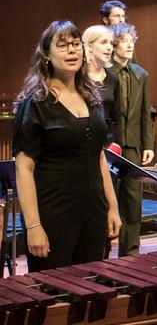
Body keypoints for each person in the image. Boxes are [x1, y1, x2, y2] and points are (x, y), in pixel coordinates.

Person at [14, 20, 121, 271]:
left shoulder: (91, 97)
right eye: (62, 46)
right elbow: (24, 168)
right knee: (51, 296)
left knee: (89, 289)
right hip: (53, 215)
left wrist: (112, 207)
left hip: (93, 213)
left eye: (75, 44)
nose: (72, 51)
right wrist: (33, 226)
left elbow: (98, 157)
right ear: (47, 55)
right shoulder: (36, 103)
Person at [109, 22, 154, 254]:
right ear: (114, 42)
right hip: (109, 146)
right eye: (124, 40)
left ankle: (130, 252)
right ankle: (101, 250)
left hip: (134, 145)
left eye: (131, 41)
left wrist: (148, 144)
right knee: (107, 199)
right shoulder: (104, 72)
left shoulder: (141, 74)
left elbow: (146, 112)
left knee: (133, 200)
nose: (129, 45)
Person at [82, 25, 120, 140]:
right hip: (81, 142)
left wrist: (117, 145)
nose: (109, 48)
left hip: (106, 143)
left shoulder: (113, 78)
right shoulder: (77, 77)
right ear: (89, 46)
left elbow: (117, 118)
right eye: (104, 42)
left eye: (111, 43)